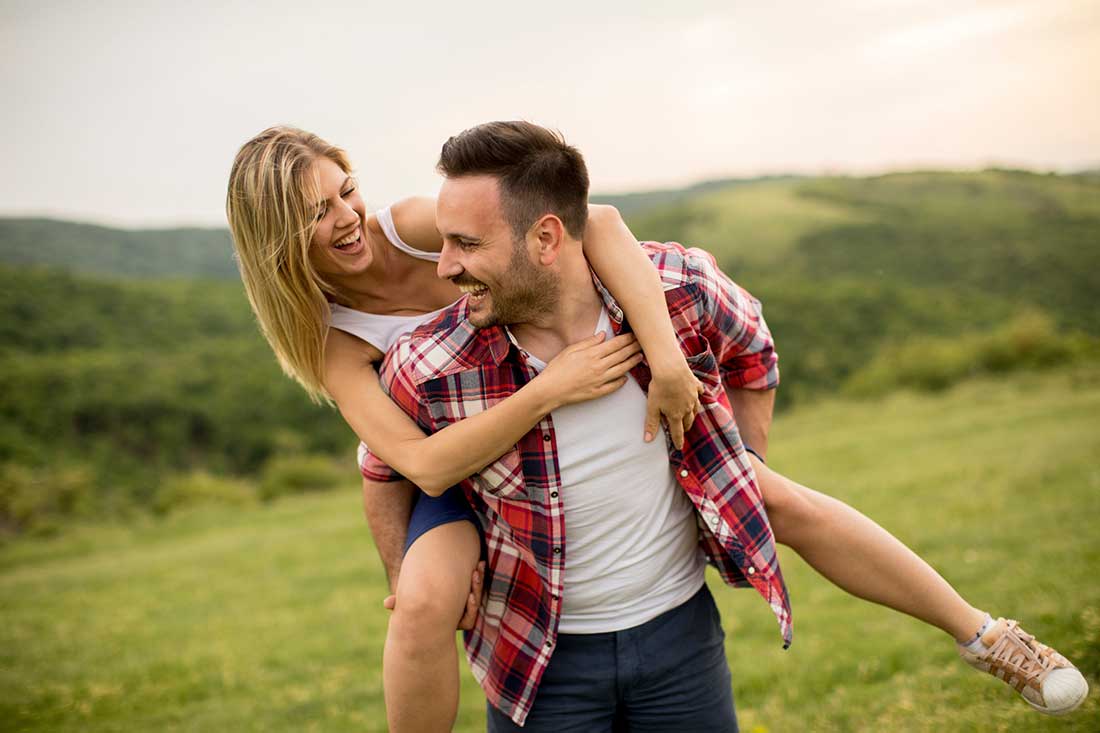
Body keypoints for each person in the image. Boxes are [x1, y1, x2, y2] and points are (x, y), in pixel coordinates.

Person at [360, 121, 1089, 729]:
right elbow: (384, 470)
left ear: (547, 239)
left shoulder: (677, 289)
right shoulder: (432, 362)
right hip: (538, 660)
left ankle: (989, 637)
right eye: (444, 241)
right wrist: (407, 571)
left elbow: (754, 349)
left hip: (680, 640)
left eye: (466, 244)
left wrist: (745, 459)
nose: (443, 267)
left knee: (793, 504)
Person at [225, 126, 706, 733]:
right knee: (423, 605)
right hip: (450, 467)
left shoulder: (406, 228)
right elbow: (419, 465)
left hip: (532, 425)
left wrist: (667, 362)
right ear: (279, 238)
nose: (348, 217)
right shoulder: (333, 339)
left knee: (778, 501)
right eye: (319, 213)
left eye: (347, 192)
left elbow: (599, 222)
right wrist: (551, 387)